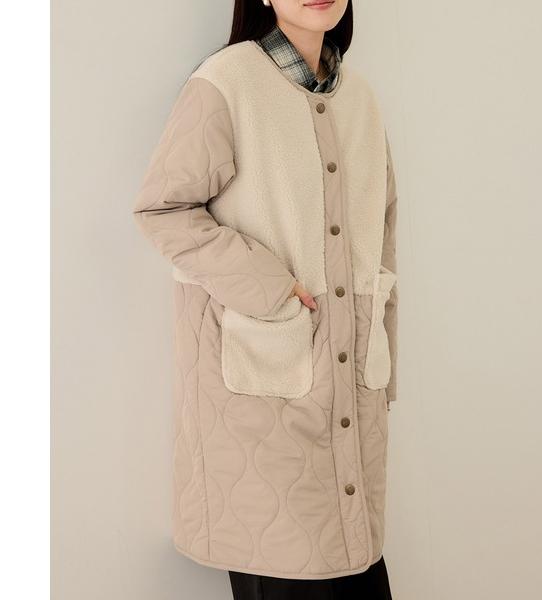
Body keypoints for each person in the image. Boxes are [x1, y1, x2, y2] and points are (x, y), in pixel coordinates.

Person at [132, 1, 398, 598]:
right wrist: (269, 286)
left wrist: (384, 367)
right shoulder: (226, 83)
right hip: (262, 406)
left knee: (360, 570)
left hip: (353, 399)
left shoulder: (361, 99)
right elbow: (163, 209)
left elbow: (383, 245)